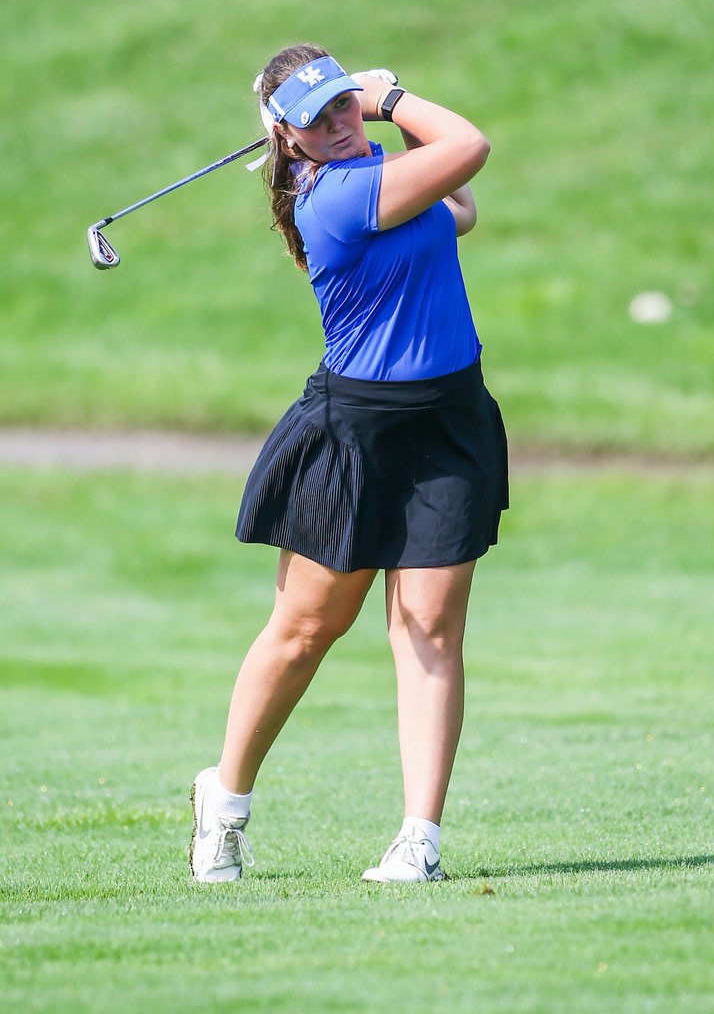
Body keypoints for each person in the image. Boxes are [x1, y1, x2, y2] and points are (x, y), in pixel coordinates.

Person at [189, 43, 508, 884]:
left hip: (449, 422)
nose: (337, 123)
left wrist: (380, 122)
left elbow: (460, 205)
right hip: (355, 435)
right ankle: (224, 801)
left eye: (340, 104)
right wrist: (389, 97)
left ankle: (419, 839)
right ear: (285, 137)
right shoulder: (332, 196)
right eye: (317, 117)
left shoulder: (378, 175)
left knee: (429, 629)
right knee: (306, 633)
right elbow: (469, 147)